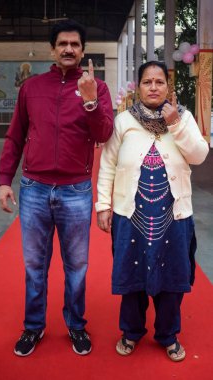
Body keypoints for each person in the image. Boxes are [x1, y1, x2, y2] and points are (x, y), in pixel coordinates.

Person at [0, 19, 113, 357]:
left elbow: (104, 134)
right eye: (62, 43)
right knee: (35, 265)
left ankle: (76, 325)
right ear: (53, 49)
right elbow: (15, 136)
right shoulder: (32, 87)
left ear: (82, 50)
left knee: (77, 265)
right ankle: (33, 327)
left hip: (76, 191)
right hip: (34, 189)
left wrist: (90, 101)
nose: (68, 49)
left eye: (75, 44)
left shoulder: (97, 87)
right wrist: (5, 180)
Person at [96, 61, 209, 361]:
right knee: (131, 275)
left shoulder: (183, 119)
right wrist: (103, 206)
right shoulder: (124, 122)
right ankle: (131, 332)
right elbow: (107, 164)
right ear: (139, 87)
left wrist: (175, 124)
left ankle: (168, 334)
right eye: (148, 82)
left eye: (159, 82)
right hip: (130, 214)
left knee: (172, 277)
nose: (154, 87)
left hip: (174, 214)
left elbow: (199, 155)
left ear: (168, 87)